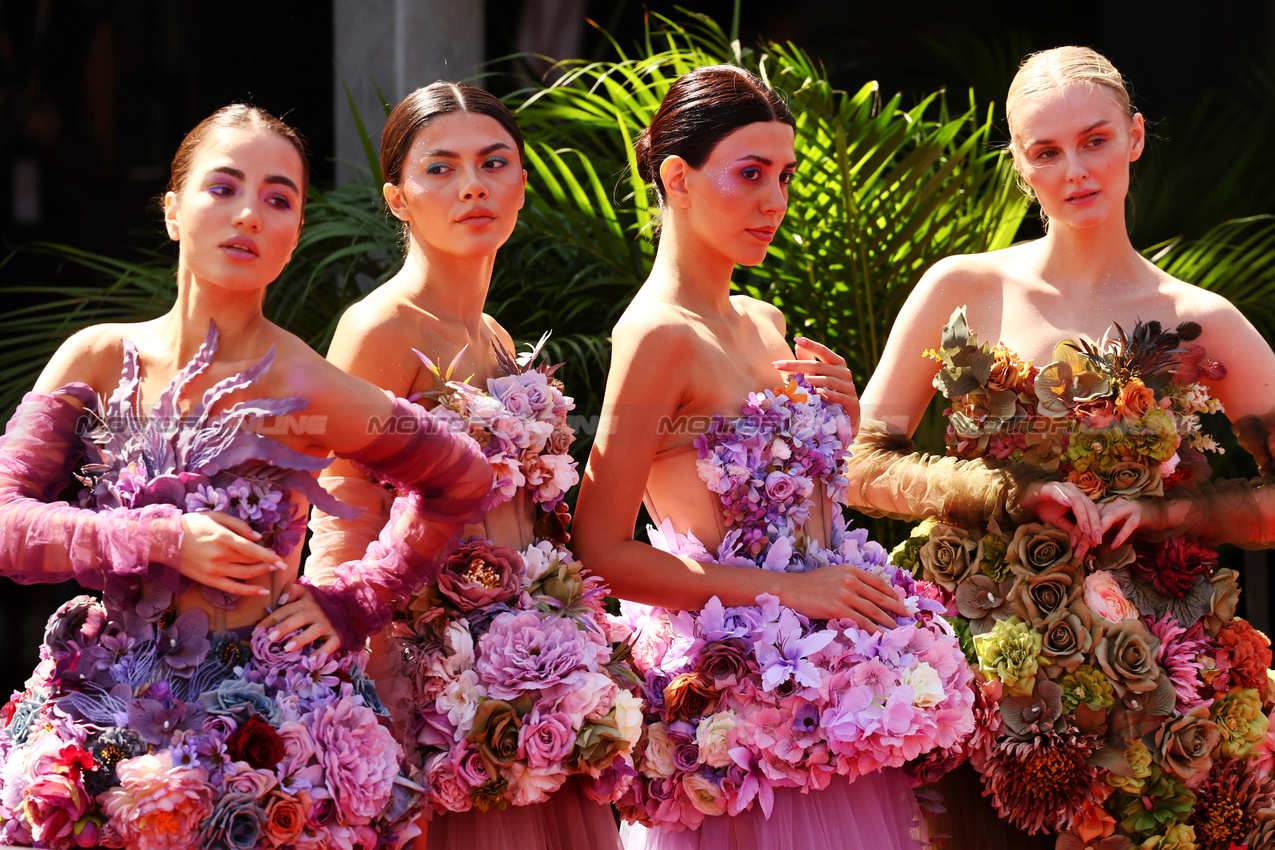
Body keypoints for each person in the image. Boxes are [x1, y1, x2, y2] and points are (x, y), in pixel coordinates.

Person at [0, 103, 492, 849]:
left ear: (294, 232)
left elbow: (461, 479)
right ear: (172, 211)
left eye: (277, 199)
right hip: (99, 716)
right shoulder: (96, 358)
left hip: (264, 735)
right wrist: (161, 537)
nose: (249, 216)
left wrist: (355, 600)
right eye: (223, 188)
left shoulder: (312, 384)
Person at [847, 46, 1275, 848]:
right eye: (1046, 152)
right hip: (966, 670)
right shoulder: (960, 288)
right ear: (1019, 165)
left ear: (1135, 137)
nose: (1074, 169)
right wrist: (1001, 493)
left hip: (1151, 679)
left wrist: (1162, 512)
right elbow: (861, 465)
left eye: (1094, 140)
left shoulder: (1199, 318)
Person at [572, 65, 951, 850]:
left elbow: (799, 510)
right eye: (748, 174)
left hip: (834, 701)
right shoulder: (655, 337)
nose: (773, 200)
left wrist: (841, 420)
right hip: (741, 717)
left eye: (783, 176)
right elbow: (600, 551)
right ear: (677, 177)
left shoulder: (764, 320)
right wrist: (791, 591)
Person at [306, 82, 630, 850]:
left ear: (521, 182)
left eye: (493, 163)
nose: (473, 185)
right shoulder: (379, 328)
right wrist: (365, 694)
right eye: (440, 169)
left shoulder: (496, 335)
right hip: (435, 693)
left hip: (535, 686)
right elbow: (341, 511)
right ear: (397, 198)